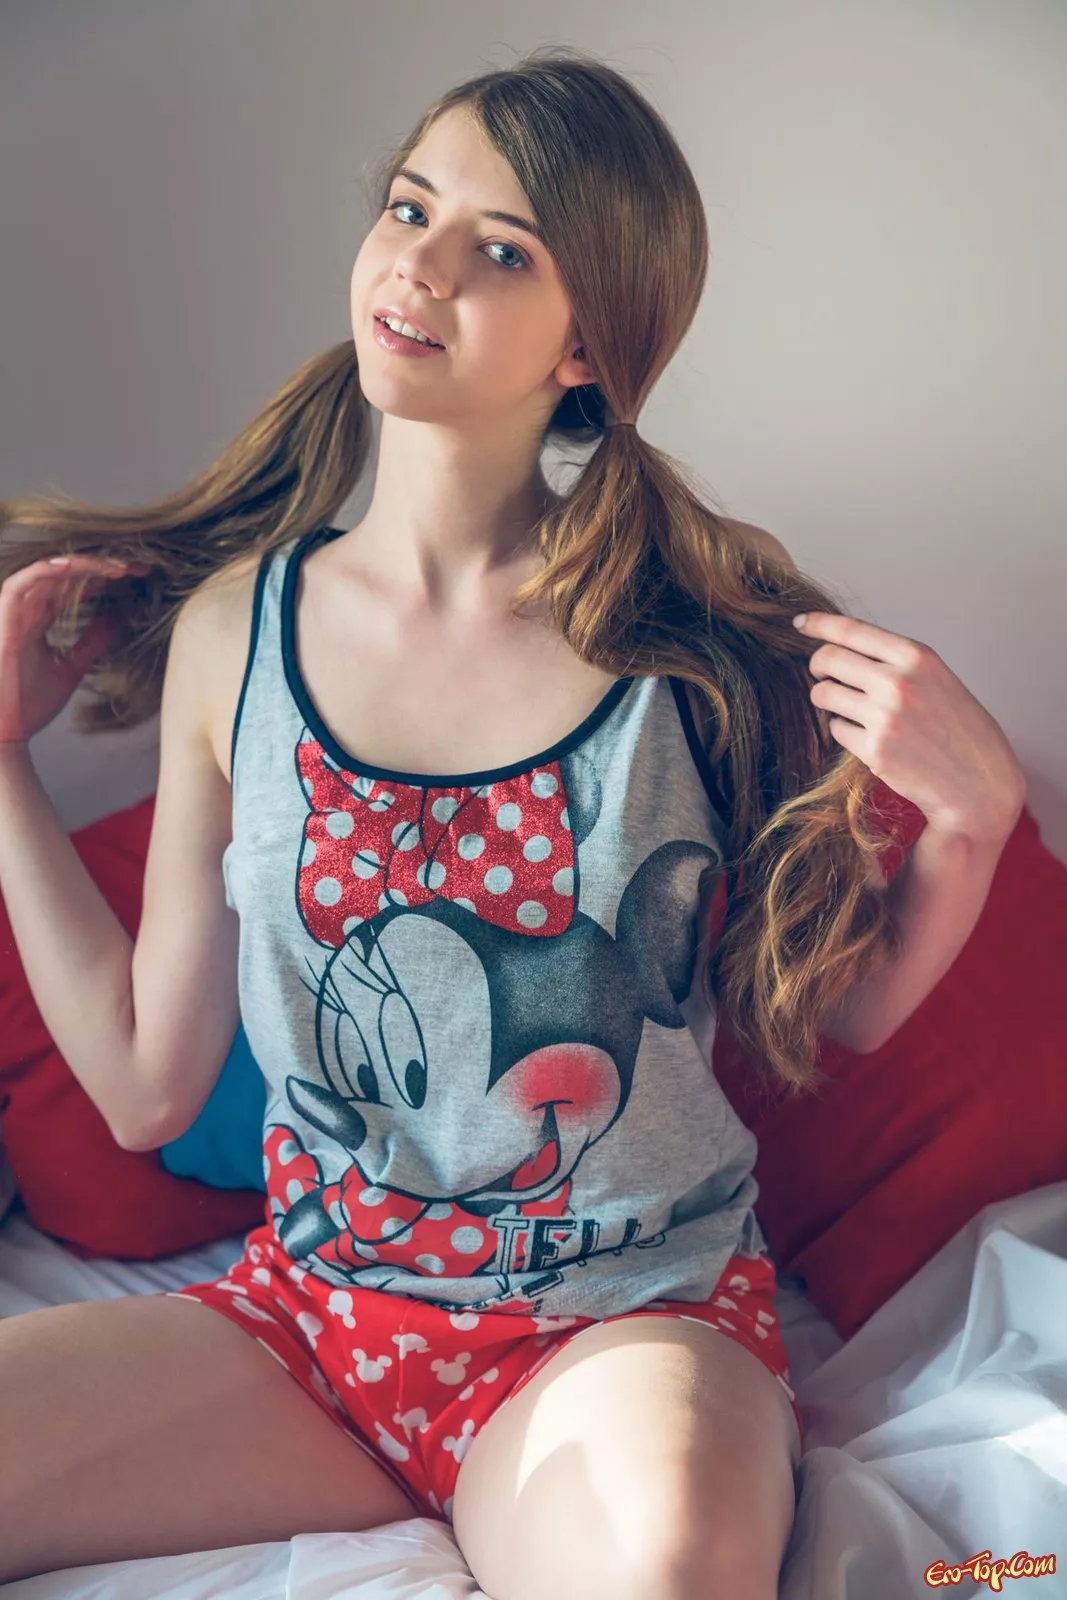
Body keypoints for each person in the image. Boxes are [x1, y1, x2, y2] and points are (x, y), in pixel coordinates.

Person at [0, 45, 956, 1600]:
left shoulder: (683, 642)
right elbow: (140, 1085)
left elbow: (829, 1010)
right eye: (408, 207)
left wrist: (968, 828)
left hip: (619, 1330)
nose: (420, 264)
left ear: (587, 342)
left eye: (500, 249)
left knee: (663, 1568)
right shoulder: (236, 633)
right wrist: (4, 769)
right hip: (307, 1328)